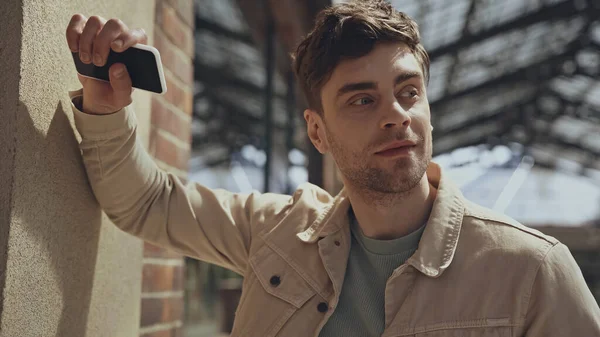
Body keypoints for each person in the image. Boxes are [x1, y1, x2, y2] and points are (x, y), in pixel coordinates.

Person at [65, 1, 600, 336]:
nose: (396, 114)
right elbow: (147, 202)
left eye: (408, 92)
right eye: (362, 100)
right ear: (317, 131)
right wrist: (108, 109)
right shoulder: (275, 232)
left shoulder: (534, 271)